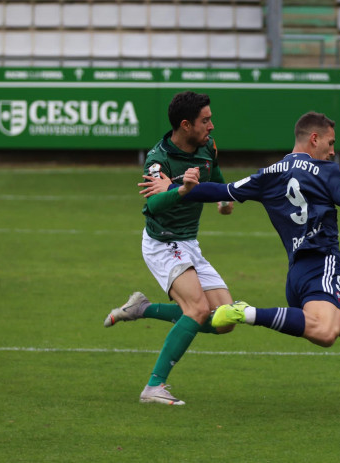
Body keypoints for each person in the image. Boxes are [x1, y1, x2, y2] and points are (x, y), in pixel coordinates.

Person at [140, 111, 340, 410]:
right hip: (321, 267)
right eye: (331, 142)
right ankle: (244, 311)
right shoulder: (327, 172)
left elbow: (222, 190)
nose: (333, 151)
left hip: (297, 276)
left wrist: (179, 188)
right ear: (314, 139)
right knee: (324, 333)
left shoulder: (270, 173)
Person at [105, 91, 236, 406]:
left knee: (225, 319)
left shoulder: (207, 147)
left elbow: (214, 172)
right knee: (198, 309)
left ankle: (142, 309)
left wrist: (222, 196)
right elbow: (155, 203)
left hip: (189, 243)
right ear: (186, 124)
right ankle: (154, 387)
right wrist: (183, 190)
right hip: (163, 243)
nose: (212, 126)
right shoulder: (158, 158)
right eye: (205, 121)